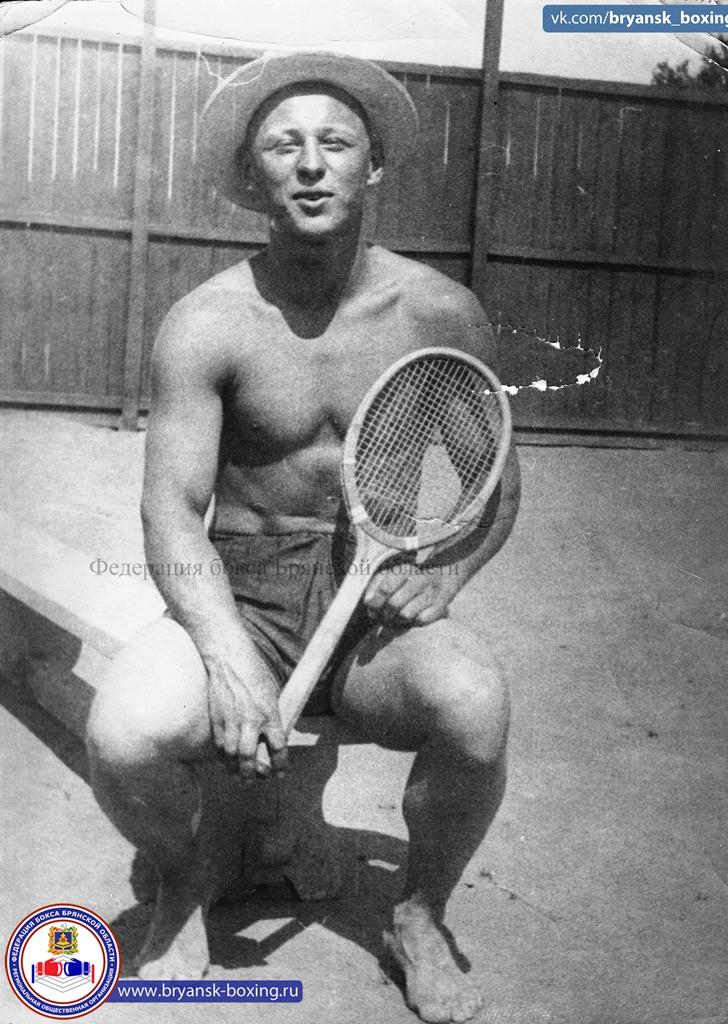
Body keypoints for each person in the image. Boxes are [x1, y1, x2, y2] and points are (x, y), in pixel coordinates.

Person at [86, 51, 520, 1024]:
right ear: (256, 174)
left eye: (336, 143)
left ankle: (418, 914)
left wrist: (447, 573)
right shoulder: (207, 321)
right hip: (240, 594)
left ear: (374, 164)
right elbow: (170, 513)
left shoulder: (438, 312)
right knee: (121, 734)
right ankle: (185, 880)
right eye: (285, 145)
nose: (312, 164)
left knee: (476, 705)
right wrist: (227, 653)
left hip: (370, 618)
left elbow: (496, 483)